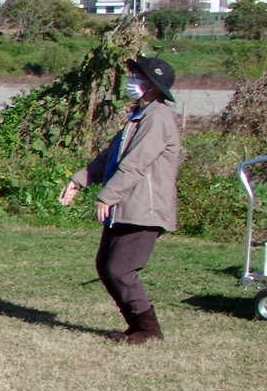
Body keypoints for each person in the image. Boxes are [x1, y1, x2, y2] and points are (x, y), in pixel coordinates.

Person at [61, 55, 183, 345]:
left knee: (120, 269)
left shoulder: (158, 117)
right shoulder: (139, 115)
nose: (132, 81)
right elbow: (111, 157)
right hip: (126, 206)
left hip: (145, 208)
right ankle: (136, 327)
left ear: (154, 86)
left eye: (138, 77)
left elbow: (136, 163)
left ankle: (148, 331)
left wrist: (106, 196)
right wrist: (80, 179)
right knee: (106, 266)